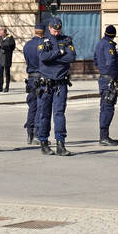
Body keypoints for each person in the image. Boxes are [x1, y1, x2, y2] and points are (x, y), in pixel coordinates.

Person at [36, 17, 77, 156]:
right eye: (54, 30)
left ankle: (61, 144)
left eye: (58, 30)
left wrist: (53, 57)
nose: (56, 33)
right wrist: (59, 53)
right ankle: (44, 142)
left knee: (59, 114)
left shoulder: (66, 40)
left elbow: (71, 58)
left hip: (60, 83)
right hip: (46, 84)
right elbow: (43, 58)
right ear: (49, 28)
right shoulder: (43, 41)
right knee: (45, 114)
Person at [94, 24, 118, 145]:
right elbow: (111, 61)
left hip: (103, 79)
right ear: (114, 35)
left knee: (104, 107)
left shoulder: (99, 43)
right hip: (109, 80)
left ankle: (103, 135)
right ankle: (104, 137)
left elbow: (95, 60)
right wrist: (113, 76)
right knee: (108, 108)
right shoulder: (109, 45)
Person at [22, 23, 45, 144]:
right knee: (40, 107)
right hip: (41, 77)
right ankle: (37, 134)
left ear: (35, 31)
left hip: (31, 78)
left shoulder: (27, 45)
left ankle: (29, 134)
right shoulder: (44, 45)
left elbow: (27, 60)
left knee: (32, 107)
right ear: (44, 32)